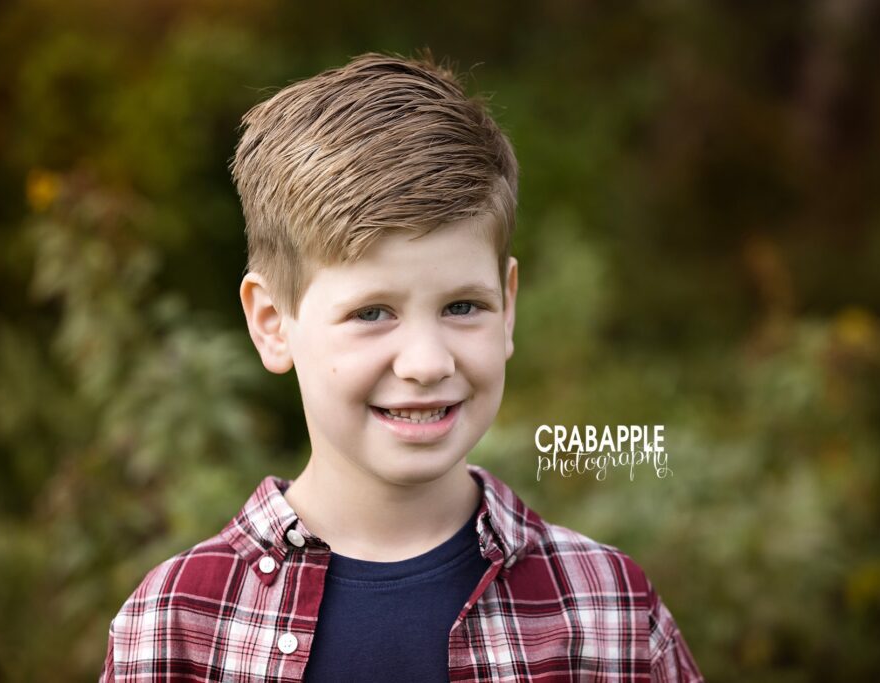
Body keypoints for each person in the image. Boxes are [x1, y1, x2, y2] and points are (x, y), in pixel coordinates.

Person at [100, 51, 704, 683]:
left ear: (508, 308)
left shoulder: (609, 612)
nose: (426, 363)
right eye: (372, 313)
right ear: (273, 323)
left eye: (463, 306)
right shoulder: (174, 627)